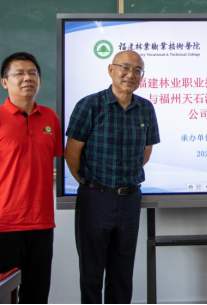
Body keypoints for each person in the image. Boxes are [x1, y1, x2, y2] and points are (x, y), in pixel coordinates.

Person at [65, 50, 160, 304]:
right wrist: (89, 184)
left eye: (137, 70)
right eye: (125, 67)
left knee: (122, 274)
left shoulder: (145, 108)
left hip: (129, 199)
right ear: (111, 70)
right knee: (91, 273)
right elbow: (72, 153)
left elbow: (145, 152)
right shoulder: (90, 105)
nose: (130, 74)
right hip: (95, 198)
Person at [0, 52, 62, 304]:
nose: (27, 78)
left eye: (33, 73)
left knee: (37, 296)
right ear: (4, 82)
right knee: (1, 297)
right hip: (5, 227)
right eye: (19, 73)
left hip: (42, 224)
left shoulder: (50, 118)